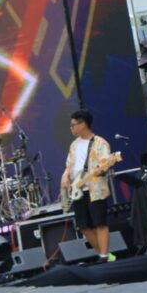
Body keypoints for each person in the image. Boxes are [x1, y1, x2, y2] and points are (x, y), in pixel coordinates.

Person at [60, 110, 115, 262]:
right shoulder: (74, 145)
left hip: (96, 190)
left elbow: (104, 165)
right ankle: (104, 255)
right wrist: (65, 176)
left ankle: (103, 256)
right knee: (83, 226)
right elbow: (69, 165)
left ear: (83, 124)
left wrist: (100, 170)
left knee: (100, 223)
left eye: (73, 125)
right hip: (77, 189)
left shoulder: (100, 143)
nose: (71, 128)